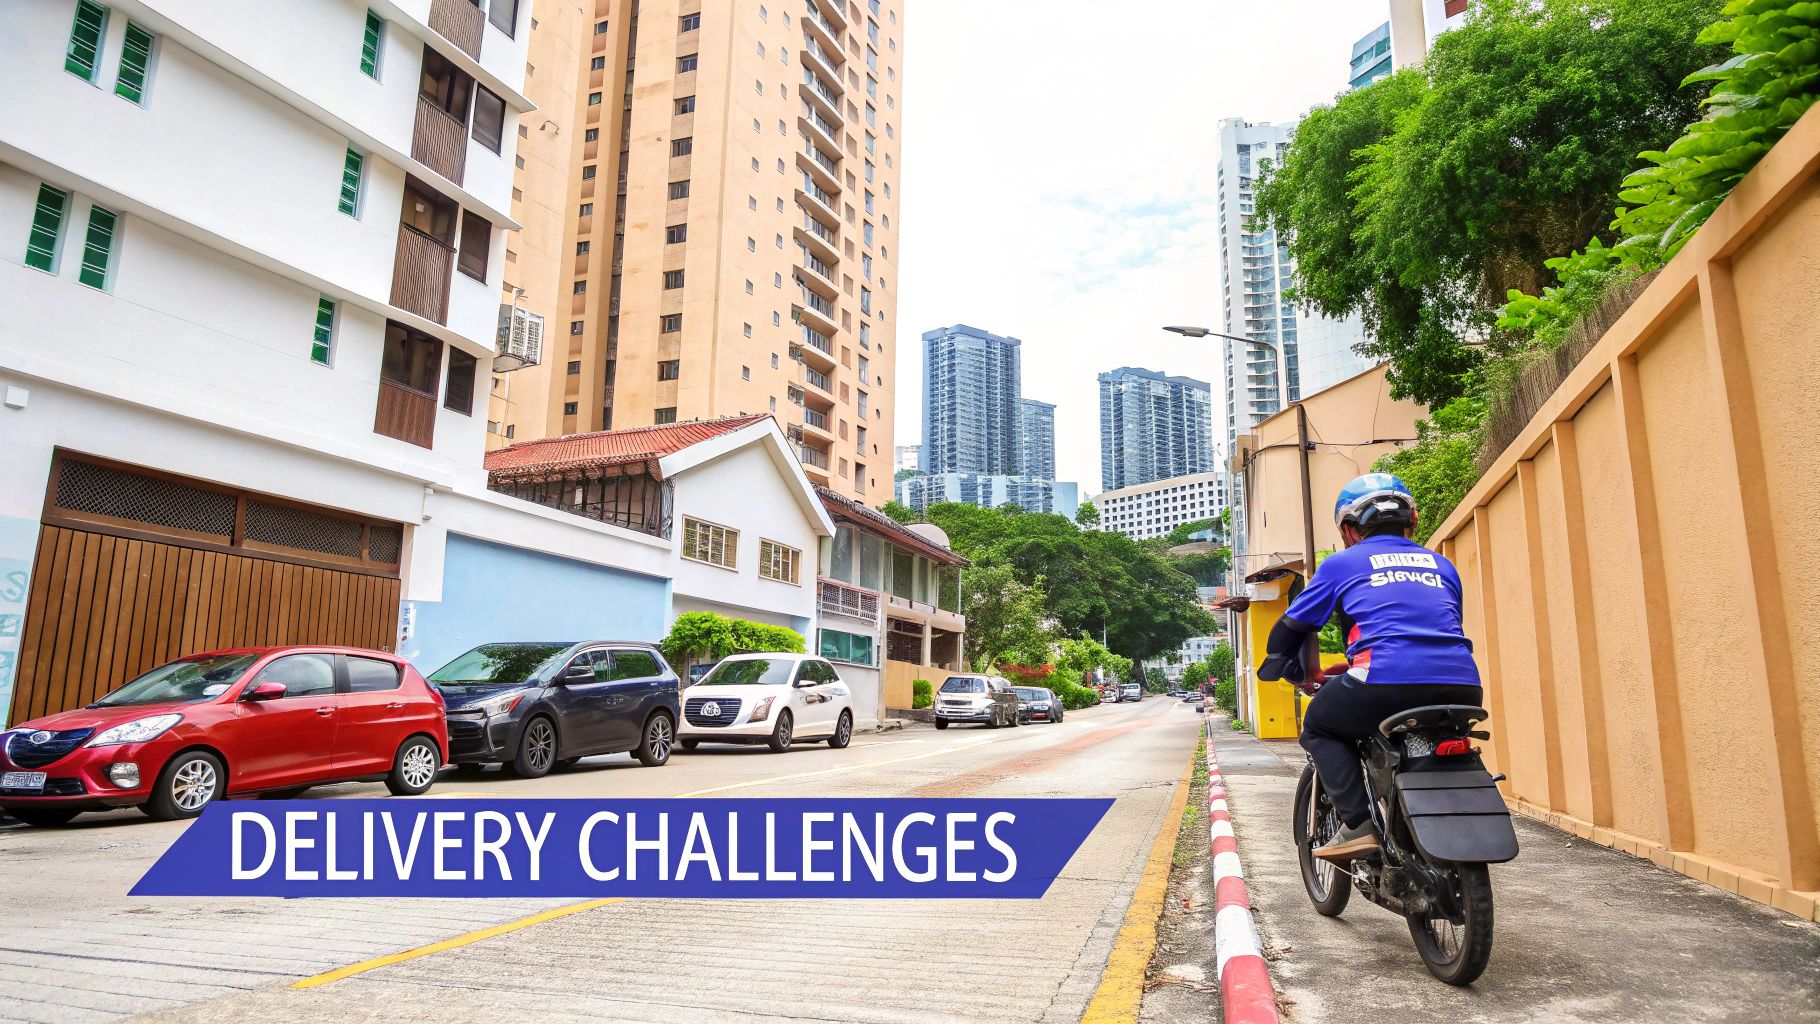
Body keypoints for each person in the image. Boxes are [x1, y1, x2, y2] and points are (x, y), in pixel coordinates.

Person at [1258, 473, 1483, 861]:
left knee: (1320, 726)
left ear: (1349, 529)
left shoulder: (1343, 563)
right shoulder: (1442, 565)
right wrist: (1353, 664)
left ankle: (1359, 825)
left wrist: (1282, 664)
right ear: (1411, 520)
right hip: (1462, 682)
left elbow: (1292, 627)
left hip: (1382, 679)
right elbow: (1426, 632)